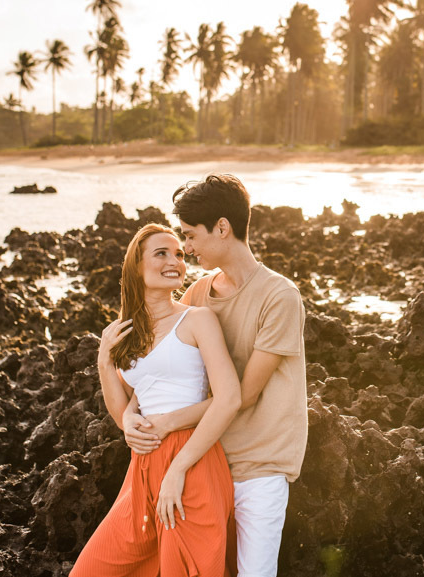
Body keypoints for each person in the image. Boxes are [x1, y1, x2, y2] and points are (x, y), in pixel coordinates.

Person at [123, 174, 307, 577]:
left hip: (260, 467)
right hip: (206, 462)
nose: (184, 249)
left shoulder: (280, 296)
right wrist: (131, 413)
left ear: (222, 228)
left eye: (189, 236)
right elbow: (160, 363)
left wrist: (168, 422)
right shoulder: (198, 294)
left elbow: (243, 394)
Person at [72, 223, 241, 577]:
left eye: (179, 253)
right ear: (136, 265)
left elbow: (228, 399)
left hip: (192, 461)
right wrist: (104, 361)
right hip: (142, 468)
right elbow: (124, 416)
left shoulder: (198, 320)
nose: (175, 261)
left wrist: (177, 465)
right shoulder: (123, 332)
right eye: (161, 253)